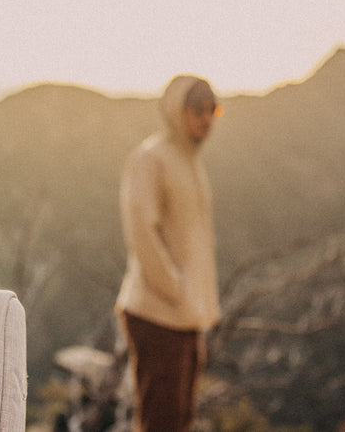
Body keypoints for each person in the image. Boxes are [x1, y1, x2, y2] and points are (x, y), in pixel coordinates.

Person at [115, 75, 222, 432]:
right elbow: (142, 233)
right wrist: (175, 288)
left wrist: (194, 300)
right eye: (197, 110)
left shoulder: (190, 159)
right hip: (157, 313)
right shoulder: (152, 158)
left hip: (186, 315)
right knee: (161, 420)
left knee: (180, 419)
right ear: (177, 111)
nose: (206, 118)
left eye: (212, 110)